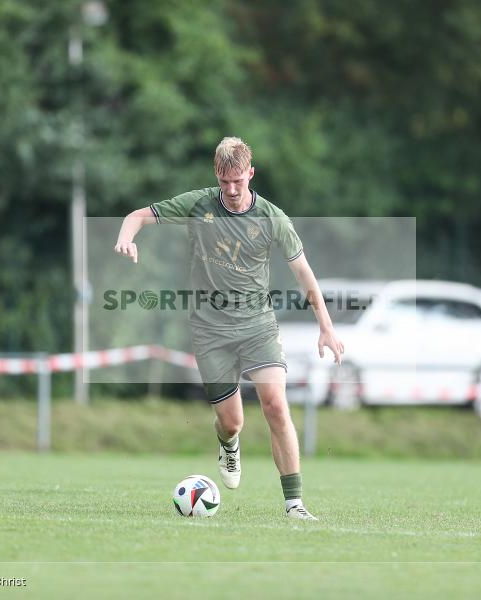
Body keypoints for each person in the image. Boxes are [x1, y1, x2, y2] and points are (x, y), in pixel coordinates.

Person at [114, 137, 344, 520]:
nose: (232, 190)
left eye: (238, 181)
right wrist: (126, 238)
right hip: (210, 330)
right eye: (224, 182)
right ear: (216, 176)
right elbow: (137, 216)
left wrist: (326, 326)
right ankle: (229, 443)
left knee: (275, 406)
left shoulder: (272, 218)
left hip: (258, 326)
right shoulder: (198, 204)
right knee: (232, 419)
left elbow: (303, 272)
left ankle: (295, 504)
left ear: (250, 174)